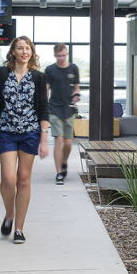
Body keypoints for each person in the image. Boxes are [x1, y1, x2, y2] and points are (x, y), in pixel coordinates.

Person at [0, 36, 49, 244]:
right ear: (13, 52)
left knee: (23, 179)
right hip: (6, 132)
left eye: (27, 48)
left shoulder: (38, 77)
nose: (24, 51)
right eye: (20, 48)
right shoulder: (2, 74)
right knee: (8, 180)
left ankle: (19, 228)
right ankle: (8, 215)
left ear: (31, 52)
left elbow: (43, 108)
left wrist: (44, 139)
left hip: (30, 133)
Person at [44, 43, 80, 185]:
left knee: (68, 143)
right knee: (58, 140)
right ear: (55, 55)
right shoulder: (50, 70)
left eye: (63, 55)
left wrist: (76, 95)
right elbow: (46, 90)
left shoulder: (73, 68)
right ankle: (59, 173)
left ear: (67, 54)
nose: (61, 58)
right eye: (59, 56)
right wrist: (43, 106)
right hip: (54, 108)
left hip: (69, 109)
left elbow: (76, 87)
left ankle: (64, 162)